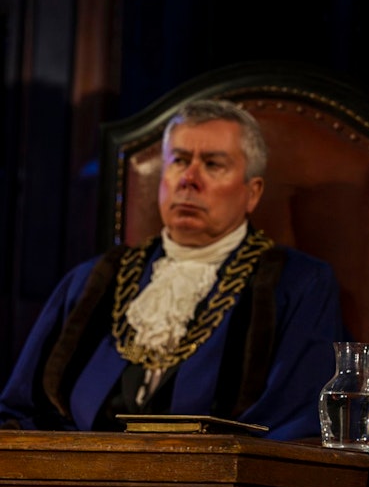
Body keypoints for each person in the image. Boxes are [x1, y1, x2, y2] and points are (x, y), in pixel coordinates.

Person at [0, 99, 344, 440]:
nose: (189, 179)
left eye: (213, 164)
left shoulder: (297, 285)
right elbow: (20, 414)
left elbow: (296, 424)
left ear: (252, 193)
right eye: (179, 161)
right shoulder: (91, 281)